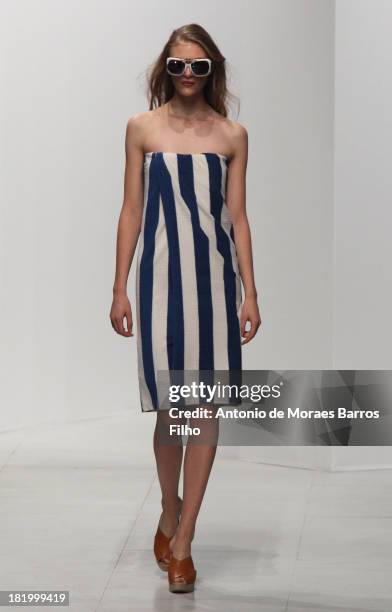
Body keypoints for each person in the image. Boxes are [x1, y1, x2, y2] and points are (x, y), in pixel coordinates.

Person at [109, 23, 261, 593]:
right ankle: (169, 509)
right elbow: (130, 210)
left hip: (215, 286)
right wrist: (120, 287)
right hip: (158, 285)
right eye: (179, 66)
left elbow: (238, 217)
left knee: (204, 411)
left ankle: (184, 539)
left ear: (212, 70)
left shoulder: (232, 136)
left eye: (199, 66)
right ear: (165, 70)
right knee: (172, 413)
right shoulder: (141, 128)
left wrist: (251, 291)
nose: (189, 76)